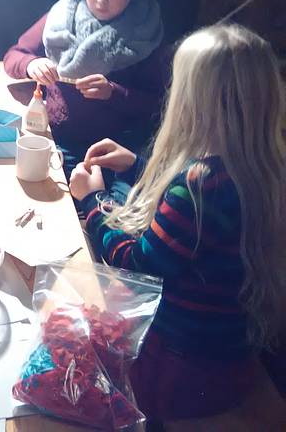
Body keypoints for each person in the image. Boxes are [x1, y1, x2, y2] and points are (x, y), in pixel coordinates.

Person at [68, 24, 286, 421]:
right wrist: (136, 167)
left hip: (176, 369)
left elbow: (137, 266)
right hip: (230, 354)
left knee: (70, 331)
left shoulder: (201, 185)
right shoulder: (263, 168)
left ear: (194, 99)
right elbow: (188, 227)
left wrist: (92, 201)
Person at [3, 0, 168, 199]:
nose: (101, 0)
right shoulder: (61, 17)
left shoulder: (146, 30)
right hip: (60, 140)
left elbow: (160, 105)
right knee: (39, 197)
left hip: (117, 149)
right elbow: (13, 56)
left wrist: (114, 93)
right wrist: (32, 65)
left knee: (113, 210)